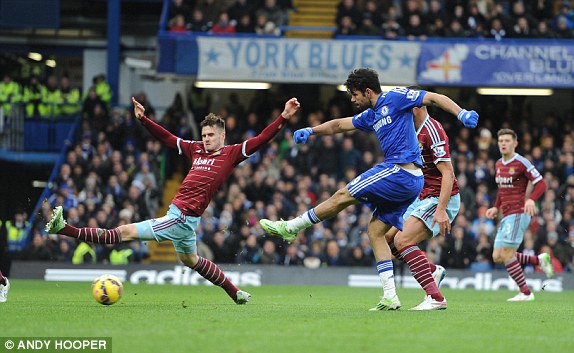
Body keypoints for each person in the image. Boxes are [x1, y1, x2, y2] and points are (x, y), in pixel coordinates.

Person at [46, 95, 301, 304]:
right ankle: (235, 293)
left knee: (123, 232)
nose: (205, 138)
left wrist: (284, 117)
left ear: (222, 136)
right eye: (204, 134)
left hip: (179, 218)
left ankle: (65, 229)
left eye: (211, 135)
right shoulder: (195, 149)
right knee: (191, 260)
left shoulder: (232, 153)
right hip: (184, 220)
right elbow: (168, 138)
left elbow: (260, 140)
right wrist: (144, 120)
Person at [260, 67, 478, 310]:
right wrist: (312, 131)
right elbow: (340, 126)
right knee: (376, 232)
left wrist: (461, 113)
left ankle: (291, 227)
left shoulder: (396, 98)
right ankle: (390, 296)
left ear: (366, 90)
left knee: (343, 195)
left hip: (400, 172)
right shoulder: (373, 114)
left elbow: (434, 98)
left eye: (354, 94)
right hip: (411, 183)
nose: (352, 100)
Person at [382, 102, 459, 310]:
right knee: (387, 238)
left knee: (402, 239)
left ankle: (436, 298)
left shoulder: (432, 130)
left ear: (417, 107)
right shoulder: (411, 130)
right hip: (421, 196)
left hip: (439, 198)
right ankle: (432, 270)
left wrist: (442, 209)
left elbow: (448, 173)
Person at [485, 128, 553, 302]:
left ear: (515, 143)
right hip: (506, 214)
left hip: (519, 212)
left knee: (507, 254)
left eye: (507, 141)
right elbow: (502, 189)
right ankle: (539, 260)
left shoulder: (522, 162)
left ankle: (526, 292)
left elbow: (541, 184)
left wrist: (531, 200)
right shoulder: (499, 164)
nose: (503, 144)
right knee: (497, 256)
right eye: (501, 141)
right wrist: (495, 207)